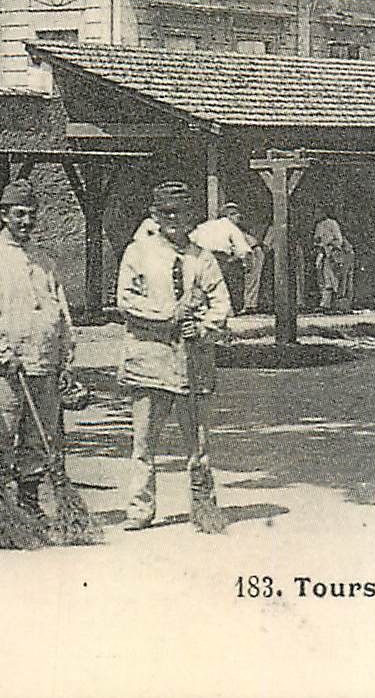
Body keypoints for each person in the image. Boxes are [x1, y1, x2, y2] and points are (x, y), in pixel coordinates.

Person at [115, 181, 232, 531]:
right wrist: (170, 315)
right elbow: (127, 300)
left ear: (190, 218)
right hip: (150, 359)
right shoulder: (138, 253)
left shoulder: (202, 259)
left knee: (197, 441)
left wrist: (204, 327)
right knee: (144, 442)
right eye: (165, 213)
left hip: (192, 362)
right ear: (154, 215)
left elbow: (221, 301)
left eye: (178, 214)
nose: (172, 220)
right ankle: (140, 509)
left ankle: (202, 506)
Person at [0, 179, 76, 522]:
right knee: (0, 440)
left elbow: (62, 312)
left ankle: (29, 506)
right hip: (4, 369)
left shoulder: (44, 261)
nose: (26, 221)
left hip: (43, 366)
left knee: (38, 441)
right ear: (4, 215)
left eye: (31, 214)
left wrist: (67, 357)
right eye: (19, 214)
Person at [191, 202, 255, 315]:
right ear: (229, 216)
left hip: (200, 256)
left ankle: (205, 309)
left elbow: (191, 239)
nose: (238, 219)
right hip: (220, 257)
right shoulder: (231, 226)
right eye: (237, 216)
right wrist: (247, 264)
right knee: (227, 281)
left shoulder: (205, 225)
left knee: (203, 283)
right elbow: (244, 249)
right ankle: (228, 309)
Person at [312, 209, 356, 313]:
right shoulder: (319, 226)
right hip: (325, 254)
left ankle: (341, 304)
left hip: (337, 253)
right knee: (325, 279)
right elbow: (317, 241)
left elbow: (338, 240)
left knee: (337, 279)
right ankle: (326, 304)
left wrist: (331, 247)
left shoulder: (332, 223)